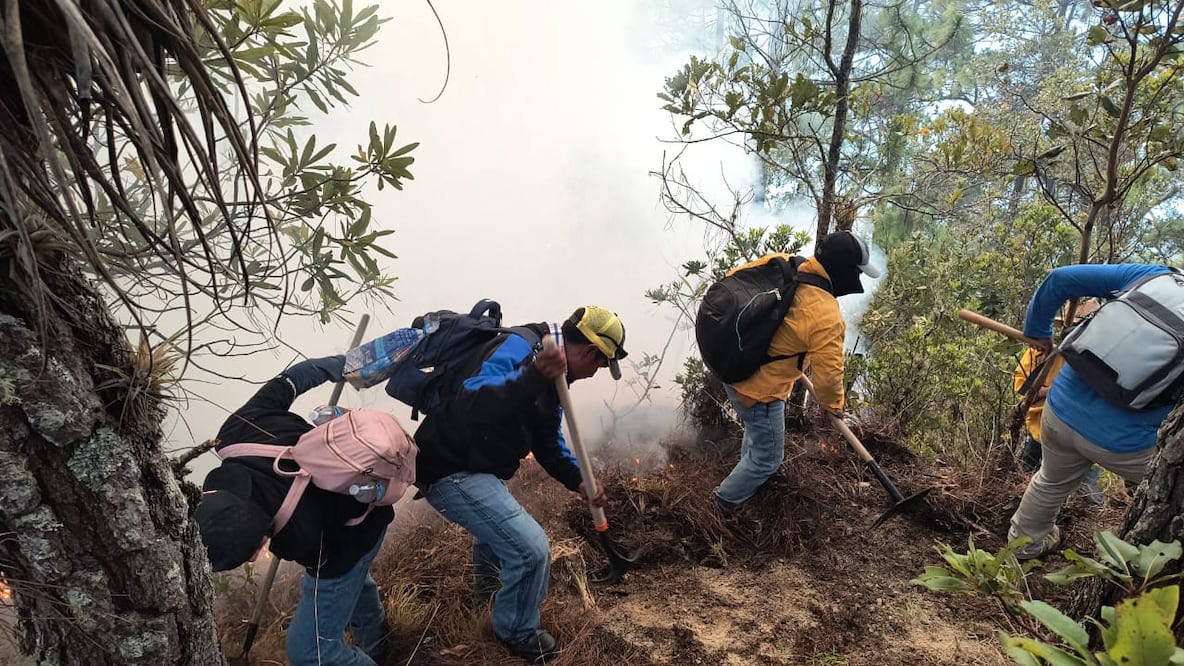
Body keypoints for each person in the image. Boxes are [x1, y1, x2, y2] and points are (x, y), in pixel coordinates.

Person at [413, 306, 623, 663]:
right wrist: (534, 376)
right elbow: (473, 398)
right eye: (601, 365)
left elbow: (546, 440)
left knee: (498, 540)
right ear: (590, 352)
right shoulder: (519, 348)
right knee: (530, 551)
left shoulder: (554, 377)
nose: (595, 373)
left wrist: (577, 480)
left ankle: (487, 601)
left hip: (482, 470)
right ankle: (516, 632)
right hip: (451, 468)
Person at [194, 355, 393, 666]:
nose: (252, 558)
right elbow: (293, 378)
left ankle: (370, 652)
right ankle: (378, 645)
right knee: (352, 579)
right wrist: (344, 363)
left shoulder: (295, 537)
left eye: (251, 551)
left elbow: (331, 566)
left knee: (313, 653)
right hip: (370, 503)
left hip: (361, 526)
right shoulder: (236, 432)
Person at [1008, 263, 1175, 561]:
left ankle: (1024, 548)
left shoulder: (1154, 276)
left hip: (1060, 412)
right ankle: (1140, 566)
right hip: (1127, 444)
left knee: (1050, 481)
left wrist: (1038, 332)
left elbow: (1059, 278)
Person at [713, 231, 880, 513]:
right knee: (767, 458)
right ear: (842, 271)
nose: (858, 279)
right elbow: (828, 375)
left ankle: (746, 488)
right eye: (856, 273)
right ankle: (724, 504)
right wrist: (834, 406)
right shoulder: (825, 315)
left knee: (757, 436)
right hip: (761, 389)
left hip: (731, 366)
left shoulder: (783, 264)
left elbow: (736, 281)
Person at [1013, 301, 1104, 505]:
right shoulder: (1037, 354)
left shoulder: (1093, 356)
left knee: (1087, 491)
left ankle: (1092, 523)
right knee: (1025, 477)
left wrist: (1049, 390)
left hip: (1082, 431)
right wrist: (1049, 389)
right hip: (1040, 427)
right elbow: (1023, 389)